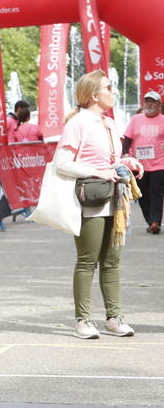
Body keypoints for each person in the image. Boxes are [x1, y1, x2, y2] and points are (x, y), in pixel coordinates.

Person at [54, 72, 145, 338]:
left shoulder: (108, 123)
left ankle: (113, 317)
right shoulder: (78, 123)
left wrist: (126, 162)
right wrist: (97, 172)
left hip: (115, 198)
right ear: (94, 95)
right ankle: (82, 320)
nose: (113, 92)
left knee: (112, 261)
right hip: (91, 200)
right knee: (87, 261)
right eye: (109, 88)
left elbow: (109, 160)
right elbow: (62, 163)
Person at [122, 89, 164, 233]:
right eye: (147, 101)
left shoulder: (163, 120)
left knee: (157, 194)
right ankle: (150, 220)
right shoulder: (136, 120)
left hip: (159, 164)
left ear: (159, 104)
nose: (149, 104)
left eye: (153, 101)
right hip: (139, 165)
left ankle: (155, 222)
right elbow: (127, 138)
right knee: (142, 195)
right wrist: (126, 153)